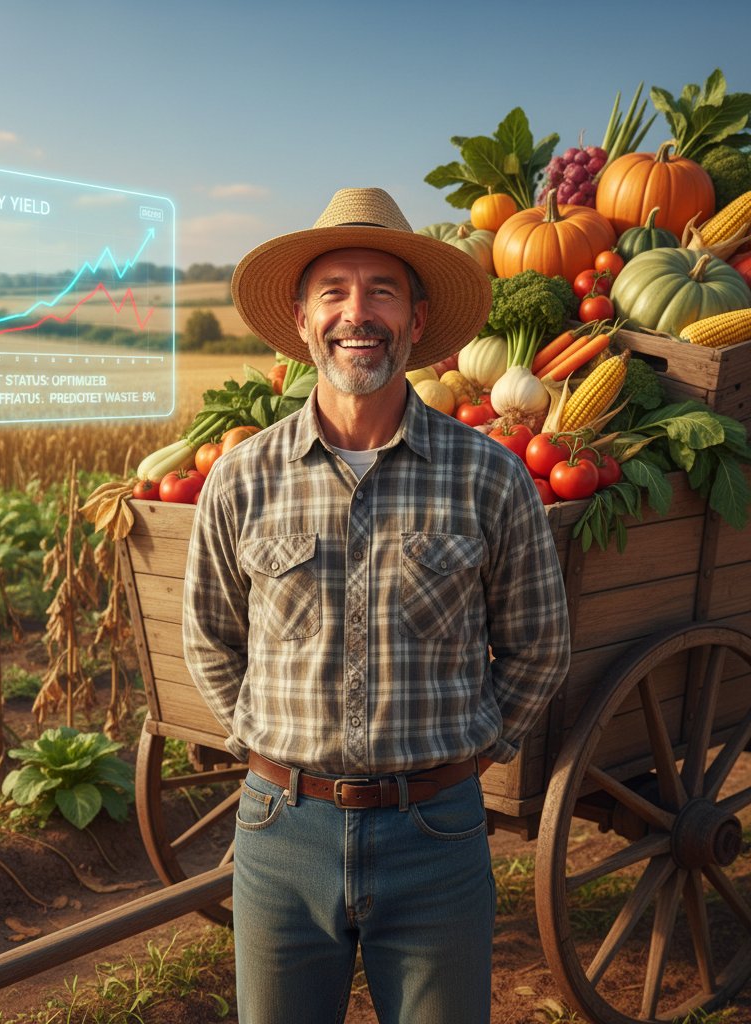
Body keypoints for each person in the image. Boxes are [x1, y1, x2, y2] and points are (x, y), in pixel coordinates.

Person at [182, 187, 571, 1024]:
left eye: (382, 291)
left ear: (417, 320)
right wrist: (268, 747)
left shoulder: (489, 477)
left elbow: (539, 647)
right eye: (334, 291)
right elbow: (211, 641)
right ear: (302, 319)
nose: (358, 313)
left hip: (436, 837)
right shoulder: (242, 478)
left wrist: (468, 753)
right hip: (281, 834)